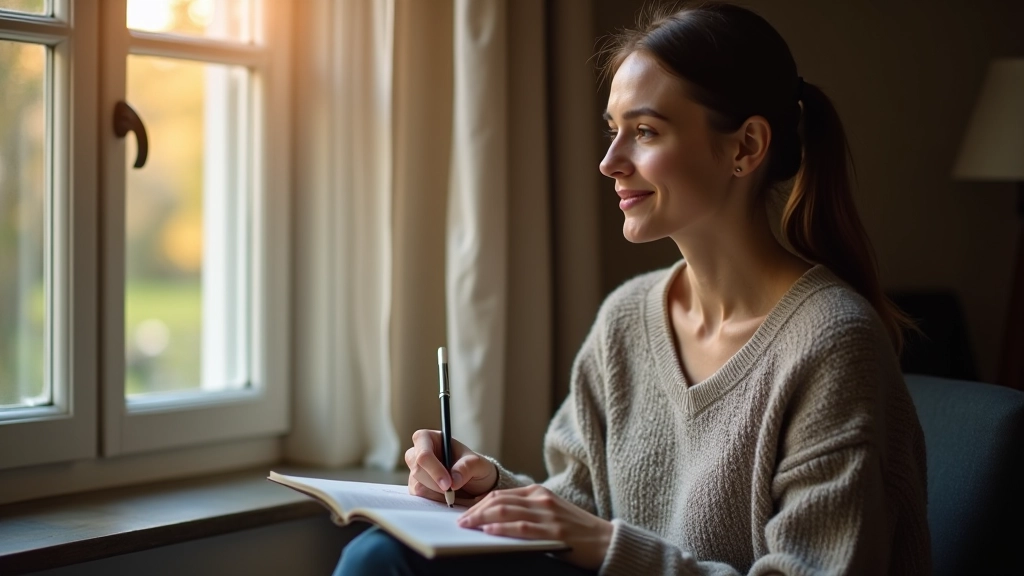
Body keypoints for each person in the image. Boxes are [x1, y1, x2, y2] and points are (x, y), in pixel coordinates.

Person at [334, 1, 931, 574]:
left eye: (644, 131)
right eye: (612, 130)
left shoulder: (833, 344)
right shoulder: (626, 317)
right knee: (380, 555)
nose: (610, 161)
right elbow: (581, 509)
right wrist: (489, 486)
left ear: (745, 146)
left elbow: (603, 541)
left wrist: (602, 544)